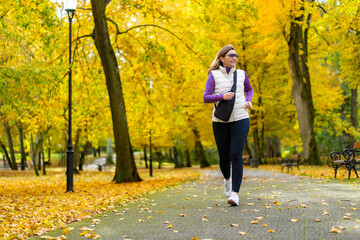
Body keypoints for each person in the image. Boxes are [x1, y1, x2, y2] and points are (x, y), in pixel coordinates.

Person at [203, 44, 253, 206]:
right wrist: (222, 96)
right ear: (222, 58)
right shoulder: (214, 75)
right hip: (220, 121)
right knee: (224, 157)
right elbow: (206, 97)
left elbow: (249, 90)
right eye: (231, 55)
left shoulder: (242, 74)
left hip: (241, 117)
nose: (234, 58)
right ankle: (227, 179)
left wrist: (248, 101)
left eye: (236, 56)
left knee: (236, 154)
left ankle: (235, 194)